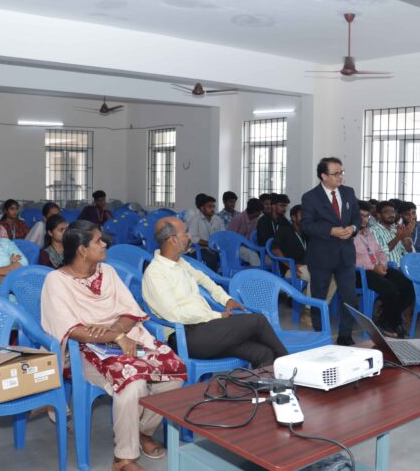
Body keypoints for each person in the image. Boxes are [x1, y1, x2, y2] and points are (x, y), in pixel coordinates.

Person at [41, 220, 185, 471]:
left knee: (174, 373)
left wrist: (117, 331)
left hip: (125, 337)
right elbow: (72, 330)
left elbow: (130, 311)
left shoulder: (107, 272)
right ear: (82, 250)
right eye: (98, 241)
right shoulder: (56, 281)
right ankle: (123, 458)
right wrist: (115, 337)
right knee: (133, 384)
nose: (105, 244)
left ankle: (142, 431)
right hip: (84, 349)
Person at [143, 217, 288, 367]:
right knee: (258, 321)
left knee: (263, 354)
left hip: (207, 330)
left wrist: (226, 299)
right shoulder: (155, 273)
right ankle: (290, 367)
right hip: (185, 337)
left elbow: (204, 279)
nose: (189, 236)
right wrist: (216, 315)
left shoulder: (180, 263)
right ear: (172, 240)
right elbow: (175, 314)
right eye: (185, 233)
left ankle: (269, 381)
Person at [300, 157, 361, 345]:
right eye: (335, 174)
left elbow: (357, 218)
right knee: (319, 298)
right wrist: (330, 231)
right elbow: (306, 225)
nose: (340, 176)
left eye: (341, 172)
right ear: (324, 176)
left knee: (350, 297)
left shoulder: (348, 192)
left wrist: (353, 228)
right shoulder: (310, 197)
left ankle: (345, 335)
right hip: (321, 255)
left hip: (345, 255)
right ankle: (320, 336)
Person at [354, 201, 413, 338]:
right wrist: (373, 267)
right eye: (361, 215)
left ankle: (384, 320)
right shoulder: (348, 234)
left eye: (366, 216)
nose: (364, 219)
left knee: (408, 286)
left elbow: (380, 251)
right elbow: (351, 259)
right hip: (360, 273)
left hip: (377, 268)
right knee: (391, 290)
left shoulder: (367, 233)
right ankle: (393, 323)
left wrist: (382, 264)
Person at [185, 194, 223, 271]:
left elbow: (223, 234)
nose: (212, 209)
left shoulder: (217, 219)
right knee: (211, 258)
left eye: (213, 206)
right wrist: (209, 244)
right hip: (200, 249)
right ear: (202, 208)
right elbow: (192, 238)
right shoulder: (196, 219)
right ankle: (212, 277)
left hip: (216, 248)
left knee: (229, 256)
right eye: (209, 207)